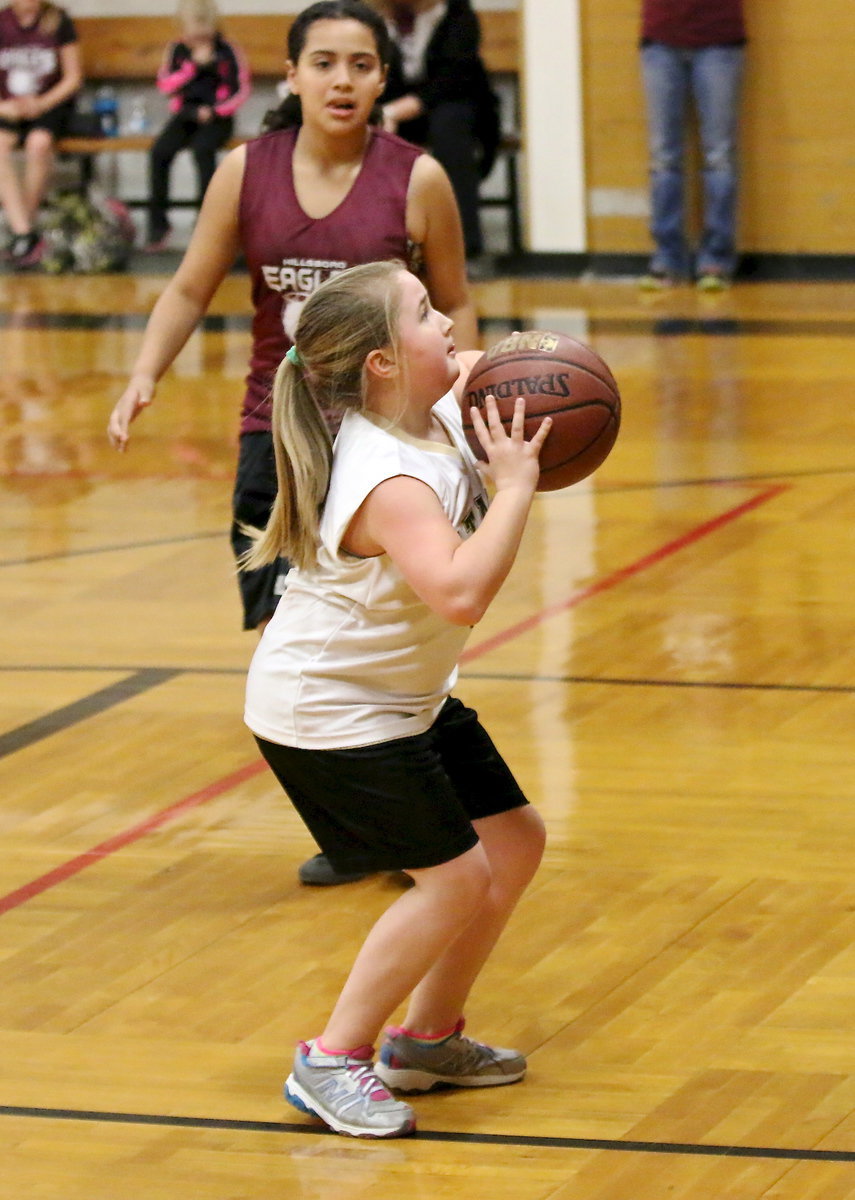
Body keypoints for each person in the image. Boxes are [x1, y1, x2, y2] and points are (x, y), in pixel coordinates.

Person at [107, 0, 477, 888]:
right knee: (289, 639)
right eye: (323, 62)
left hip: (391, 441)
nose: (342, 80)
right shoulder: (245, 170)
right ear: (292, 76)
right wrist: (144, 371)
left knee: (392, 631)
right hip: (281, 440)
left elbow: (456, 301)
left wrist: (464, 399)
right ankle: (356, 827)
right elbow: (191, 287)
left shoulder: (416, 177)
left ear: (385, 79)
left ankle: (410, 820)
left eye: (360, 64)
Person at [243, 259, 549, 1138]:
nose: (446, 319)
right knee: (453, 880)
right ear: (382, 363)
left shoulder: (428, 407)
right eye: (424, 313)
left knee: (513, 843)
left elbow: (494, 367)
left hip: (403, 694)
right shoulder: (391, 480)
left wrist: (546, 370)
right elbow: (458, 595)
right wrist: (518, 487)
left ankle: (422, 1040)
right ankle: (332, 1058)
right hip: (331, 711)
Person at [374, 0, 500, 263]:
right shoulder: (364, 16)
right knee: (370, 131)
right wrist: (380, 113)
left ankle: (462, 247)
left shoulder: (458, 14)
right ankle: (379, 244)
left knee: (450, 125)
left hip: (455, 108)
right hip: (390, 108)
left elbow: (457, 78)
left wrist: (398, 110)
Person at [639, 0, 746, 290]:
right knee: (664, 158)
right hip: (660, 38)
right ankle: (667, 257)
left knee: (719, 156)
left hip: (720, 38)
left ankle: (717, 258)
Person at [146, 0, 251, 252]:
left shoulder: (228, 50)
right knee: (159, 152)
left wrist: (215, 110)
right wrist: (192, 66)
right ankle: (158, 225)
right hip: (186, 116)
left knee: (203, 151)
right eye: (192, 31)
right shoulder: (177, 50)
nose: (197, 37)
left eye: (204, 31)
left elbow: (241, 89)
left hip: (218, 118)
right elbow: (166, 85)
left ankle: (206, 224)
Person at [0, 0, 81, 269]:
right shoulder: (3, 22)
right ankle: (23, 231)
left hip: (49, 103)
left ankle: (26, 229)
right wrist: (5, 107)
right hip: (10, 105)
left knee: (39, 144)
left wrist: (41, 104)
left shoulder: (58, 21)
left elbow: (72, 78)